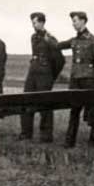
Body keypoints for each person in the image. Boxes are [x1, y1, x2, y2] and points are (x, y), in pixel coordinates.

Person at [57, 11, 94, 148]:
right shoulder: (74, 41)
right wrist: (48, 37)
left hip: (89, 80)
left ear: (83, 21)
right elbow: (58, 45)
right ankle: (69, 141)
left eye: (75, 20)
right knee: (74, 111)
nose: (73, 23)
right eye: (72, 21)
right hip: (76, 80)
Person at [19, 12, 65, 143]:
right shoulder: (33, 37)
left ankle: (46, 136)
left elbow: (60, 60)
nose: (33, 25)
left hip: (45, 76)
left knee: (45, 105)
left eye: (34, 22)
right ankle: (26, 134)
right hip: (32, 73)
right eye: (32, 23)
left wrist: (51, 76)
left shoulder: (50, 38)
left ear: (41, 22)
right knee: (26, 101)